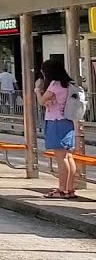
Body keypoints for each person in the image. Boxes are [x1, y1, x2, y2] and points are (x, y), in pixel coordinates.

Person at [35, 58, 79, 199]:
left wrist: (37, 90)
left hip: (55, 122)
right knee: (68, 156)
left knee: (61, 158)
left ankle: (61, 189)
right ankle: (69, 189)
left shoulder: (55, 84)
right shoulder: (68, 84)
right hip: (66, 122)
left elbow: (42, 101)